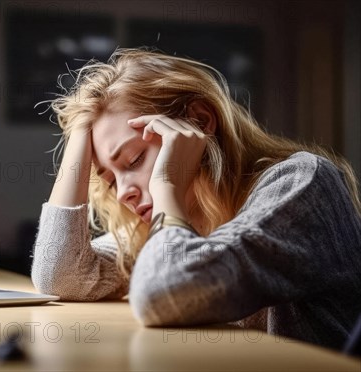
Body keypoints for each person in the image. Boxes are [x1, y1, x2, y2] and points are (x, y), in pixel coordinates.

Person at [30, 48, 361, 350]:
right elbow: (59, 278)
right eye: (110, 179)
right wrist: (79, 133)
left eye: (133, 161)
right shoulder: (186, 214)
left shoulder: (302, 182)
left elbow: (164, 294)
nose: (124, 192)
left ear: (199, 122)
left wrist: (166, 184)